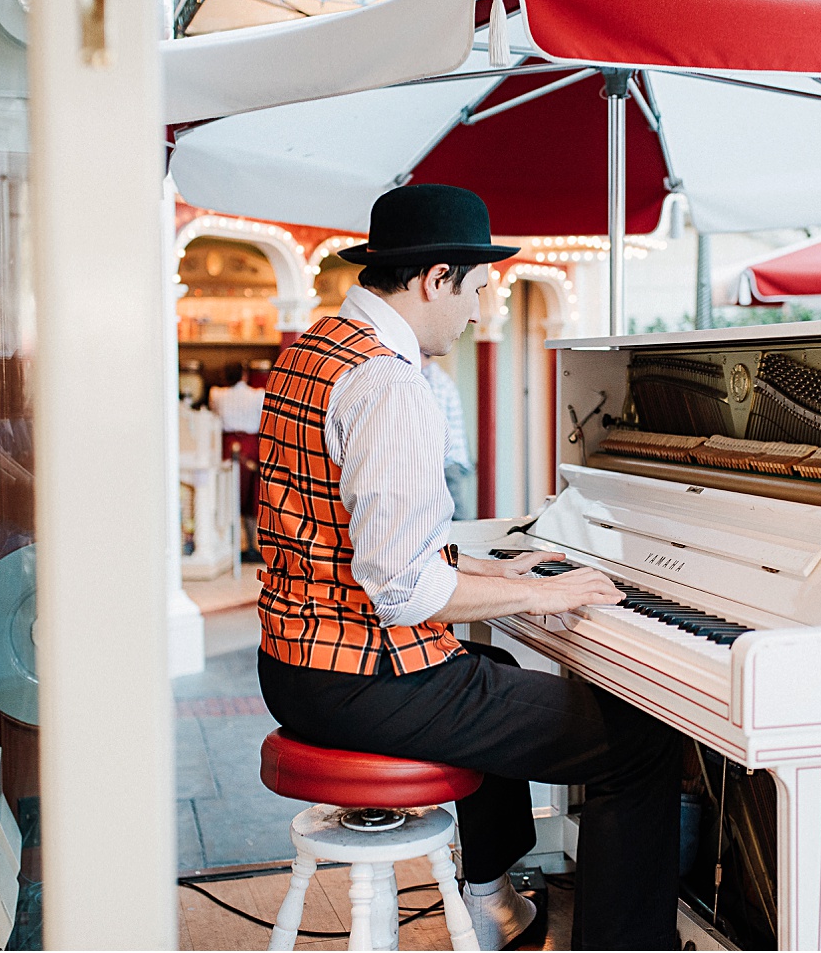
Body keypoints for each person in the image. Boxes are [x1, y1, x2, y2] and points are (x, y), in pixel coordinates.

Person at [254, 184, 681, 950]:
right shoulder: (393, 385)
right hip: (361, 681)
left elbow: (353, 540)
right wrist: (526, 588)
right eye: (478, 288)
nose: (481, 310)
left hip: (289, 665)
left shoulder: (313, 348)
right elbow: (404, 591)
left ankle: (489, 898)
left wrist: (500, 568)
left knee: (481, 660)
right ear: (435, 279)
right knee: (641, 744)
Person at [209, 362, 269, 563]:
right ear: (244, 374)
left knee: (228, 497)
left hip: (228, 447)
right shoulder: (258, 394)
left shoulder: (217, 394)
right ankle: (251, 545)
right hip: (252, 448)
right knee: (252, 499)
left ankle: (230, 546)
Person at [422, 355, 474, 520]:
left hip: (446, 461)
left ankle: (466, 545)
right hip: (448, 459)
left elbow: (431, 424)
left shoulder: (433, 380)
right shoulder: (438, 377)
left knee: (455, 516)